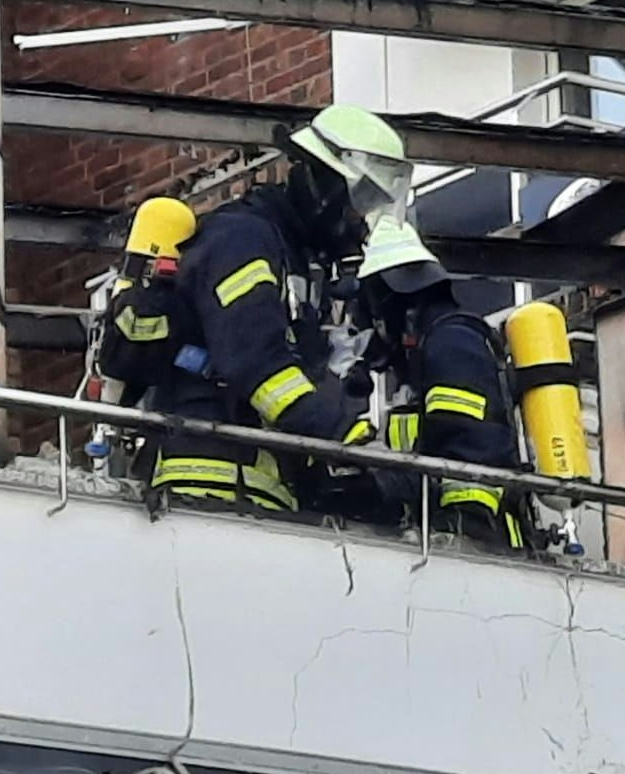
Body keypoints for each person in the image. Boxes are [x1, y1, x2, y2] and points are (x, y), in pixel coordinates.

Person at [149, 104, 411, 515]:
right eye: (357, 201)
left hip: (258, 491)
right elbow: (255, 365)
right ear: (319, 183)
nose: (360, 221)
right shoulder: (243, 240)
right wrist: (347, 437)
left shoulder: (298, 259)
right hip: (206, 485)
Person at [355, 217, 525, 549]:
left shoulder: (452, 343)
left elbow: (469, 448)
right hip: (448, 538)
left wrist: (464, 526)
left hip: (475, 539)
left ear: (392, 302)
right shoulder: (431, 354)